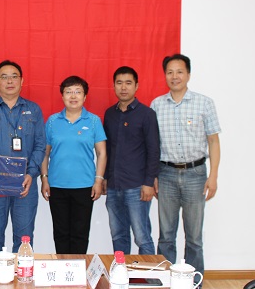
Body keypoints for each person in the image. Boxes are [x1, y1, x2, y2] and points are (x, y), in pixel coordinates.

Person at [150, 54, 221, 279]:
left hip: (196, 175)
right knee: (166, 236)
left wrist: (213, 176)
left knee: (194, 238)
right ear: (165, 75)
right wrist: (153, 175)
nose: (175, 76)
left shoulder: (204, 103)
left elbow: (213, 141)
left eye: (179, 71)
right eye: (170, 72)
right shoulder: (156, 105)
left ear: (188, 74)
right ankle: (165, 281)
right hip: (166, 174)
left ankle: (194, 282)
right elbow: (153, 145)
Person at [0, 60, 46, 252]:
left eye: (14, 77)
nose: (9, 81)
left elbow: (40, 144)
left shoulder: (34, 110)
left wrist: (31, 173)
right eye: (4, 77)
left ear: (22, 81)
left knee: (24, 239)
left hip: (25, 183)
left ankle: (22, 271)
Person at [41, 75, 107, 254]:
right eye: (68, 92)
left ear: (85, 96)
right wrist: (44, 179)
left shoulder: (93, 121)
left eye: (78, 92)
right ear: (62, 96)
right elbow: (44, 153)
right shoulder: (52, 121)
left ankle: (78, 268)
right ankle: (62, 268)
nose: (73, 96)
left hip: (85, 186)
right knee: (60, 233)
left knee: (80, 234)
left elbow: (101, 153)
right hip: (57, 185)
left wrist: (98, 180)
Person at [103, 66, 160, 255]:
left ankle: (150, 273)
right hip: (114, 186)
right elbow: (107, 149)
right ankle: (122, 271)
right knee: (118, 235)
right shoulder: (110, 114)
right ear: (113, 86)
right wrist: (105, 178)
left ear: (136, 86)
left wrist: (149, 182)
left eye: (128, 83)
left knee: (142, 236)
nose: (123, 87)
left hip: (137, 186)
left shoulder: (147, 114)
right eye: (119, 83)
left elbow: (154, 150)